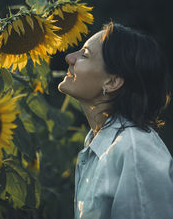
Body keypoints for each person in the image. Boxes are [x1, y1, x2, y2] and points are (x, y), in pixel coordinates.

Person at [58, 22, 173, 219]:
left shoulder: (134, 150)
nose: (69, 57)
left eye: (84, 55)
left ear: (112, 82)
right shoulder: (99, 142)